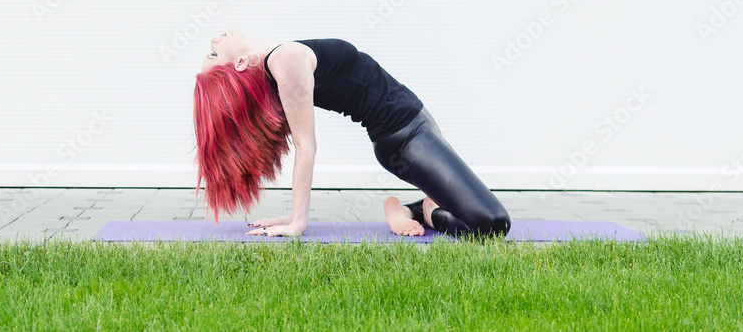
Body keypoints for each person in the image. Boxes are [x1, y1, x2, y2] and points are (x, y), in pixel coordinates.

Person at [193, 28, 511, 239]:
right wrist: (297, 221)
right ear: (239, 64)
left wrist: (293, 216)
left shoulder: (279, 59)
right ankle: (425, 211)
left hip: (416, 128)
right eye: (213, 54)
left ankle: (411, 209)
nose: (213, 41)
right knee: (492, 224)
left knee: (477, 215)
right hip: (406, 140)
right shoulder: (284, 61)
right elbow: (306, 146)